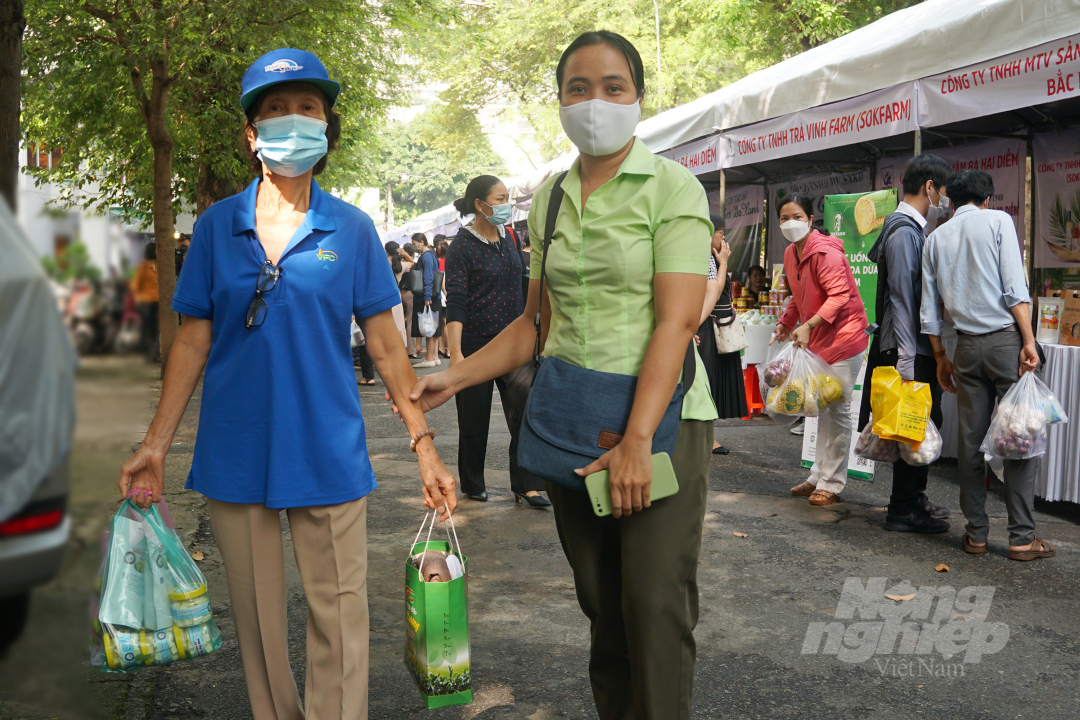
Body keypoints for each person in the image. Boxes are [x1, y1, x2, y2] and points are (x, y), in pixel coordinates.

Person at [116, 49, 457, 720]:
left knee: (340, 616)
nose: (292, 119)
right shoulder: (217, 227)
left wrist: (425, 447)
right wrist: (155, 442)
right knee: (259, 623)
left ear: (327, 127)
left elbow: (388, 346)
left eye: (308, 107)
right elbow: (192, 337)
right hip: (234, 450)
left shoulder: (352, 230)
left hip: (327, 450)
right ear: (251, 134)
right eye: (274, 109)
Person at [403, 31, 717, 719]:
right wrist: (454, 377)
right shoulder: (547, 199)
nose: (596, 102)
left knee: (655, 603)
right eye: (579, 88)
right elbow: (532, 325)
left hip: (659, 425)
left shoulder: (673, 189)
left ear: (638, 96)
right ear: (561, 102)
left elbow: (678, 322)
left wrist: (636, 441)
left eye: (613, 87)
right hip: (574, 421)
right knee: (603, 605)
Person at [921, 169, 1054, 562]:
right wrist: (1029, 341)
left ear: (953, 198)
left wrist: (941, 357)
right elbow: (1015, 287)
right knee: (1019, 436)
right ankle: (1020, 538)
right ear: (987, 198)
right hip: (1004, 343)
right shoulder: (998, 222)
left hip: (963, 347)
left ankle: (976, 533)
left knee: (969, 441)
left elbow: (929, 313)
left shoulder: (934, 238)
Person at [858, 155, 954, 533]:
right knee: (912, 424)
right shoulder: (903, 232)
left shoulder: (907, 229)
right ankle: (903, 507)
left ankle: (912, 499)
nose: (945, 200)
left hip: (906, 345)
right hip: (906, 347)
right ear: (929, 187)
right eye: (944, 192)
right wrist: (906, 361)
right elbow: (900, 298)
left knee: (917, 422)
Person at [445, 175, 549, 507]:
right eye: (501, 199)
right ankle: (473, 482)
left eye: (507, 198)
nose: (507, 205)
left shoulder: (510, 237)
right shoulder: (461, 245)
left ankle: (526, 484)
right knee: (473, 419)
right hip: (476, 343)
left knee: (526, 410)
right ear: (480, 204)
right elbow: (457, 301)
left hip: (514, 341)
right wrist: (456, 353)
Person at [773, 193, 869, 506]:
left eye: (797, 217)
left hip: (844, 338)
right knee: (820, 407)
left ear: (811, 220)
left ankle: (832, 482)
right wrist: (787, 323)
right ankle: (817, 475)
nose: (791, 223)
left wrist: (808, 325)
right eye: (785, 218)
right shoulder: (791, 253)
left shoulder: (825, 253)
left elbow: (839, 297)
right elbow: (797, 295)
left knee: (838, 409)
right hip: (818, 341)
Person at [696, 215, 747, 455]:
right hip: (706, 326)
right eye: (720, 233)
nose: (723, 238)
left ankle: (708, 436)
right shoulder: (705, 257)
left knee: (711, 381)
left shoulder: (709, 257)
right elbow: (713, 292)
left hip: (711, 325)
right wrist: (724, 264)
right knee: (708, 382)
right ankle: (707, 438)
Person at [411, 233, 443, 368]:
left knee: (428, 327)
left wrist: (427, 296)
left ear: (421, 242)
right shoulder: (431, 254)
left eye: (415, 243)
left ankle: (429, 358)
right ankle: (434, 356)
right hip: (434, 296)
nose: (414, 246)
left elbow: (428, 276)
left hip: (427, 296)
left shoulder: (427, 256)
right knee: (433, 326)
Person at [130, 242, 159, 362]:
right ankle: (146, 355)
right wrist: (138, 302)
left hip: (157, 302)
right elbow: (134, 285)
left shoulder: (158, 266)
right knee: (146, 330)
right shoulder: (142, 267)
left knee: (155, 329)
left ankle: (155, 354)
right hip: (145, 303)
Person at [384, 241, 409, 347]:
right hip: (396, 296)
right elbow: (412, 263)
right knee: (398, 324)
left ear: (386, 251)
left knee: (387, 324)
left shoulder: (382, 263)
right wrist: (405, 255)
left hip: (385, 297)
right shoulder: (401, 265)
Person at [398, 242, 417, 357]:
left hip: (399, 294)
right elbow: (414, 263)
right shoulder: (410, 264)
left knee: (399, 322)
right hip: (410, 294)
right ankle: (411, 351)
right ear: (413, 253)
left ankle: (400, 349)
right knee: (410, 323)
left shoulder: (398, 263)